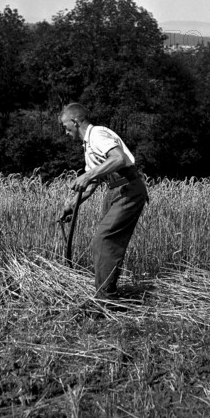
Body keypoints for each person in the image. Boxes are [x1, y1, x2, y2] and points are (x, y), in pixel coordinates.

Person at [59, 103, 148, 303]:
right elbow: (92, 184)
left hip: (128, 189)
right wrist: (72, 205)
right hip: (114, 190)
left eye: (66, 126)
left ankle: (106, 299)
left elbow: (119, 159)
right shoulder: (88, 146)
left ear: (75, 121)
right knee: (106, 241)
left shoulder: (97, 134)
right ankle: (106, 294)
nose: (65, 132)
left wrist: (88, 174)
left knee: (104, 239)